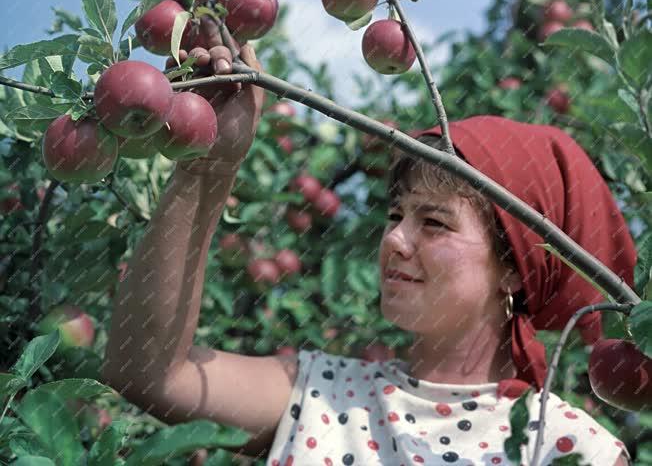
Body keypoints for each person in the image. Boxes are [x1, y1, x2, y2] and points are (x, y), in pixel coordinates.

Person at [101, 39, 636, 465]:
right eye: (395, 215)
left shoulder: (569, 450)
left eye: (434, 222)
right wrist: (208, 165)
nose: (395, 239)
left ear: (516, 270)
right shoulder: (324, 396)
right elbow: (147, 372)